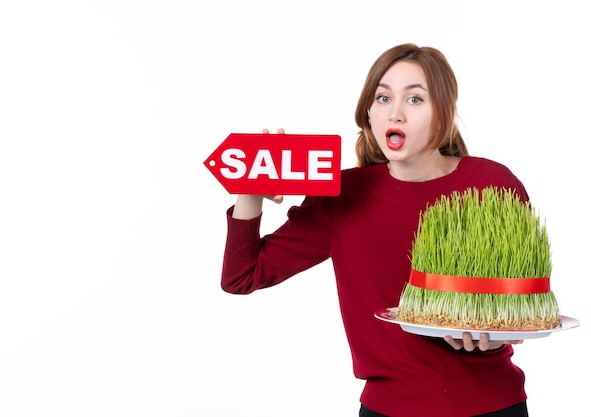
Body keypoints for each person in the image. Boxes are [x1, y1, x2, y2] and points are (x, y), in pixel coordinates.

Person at [220, 43, 530, 417]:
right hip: (389, 410)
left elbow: (521, 302)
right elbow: (241, 276)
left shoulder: (491, 183)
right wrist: (250, 191)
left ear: (443, 113)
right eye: (383, 98)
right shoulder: (343, 195)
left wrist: (492, 336)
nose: (395, 113)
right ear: (368, 113)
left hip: (494, 406)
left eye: (415, 100)